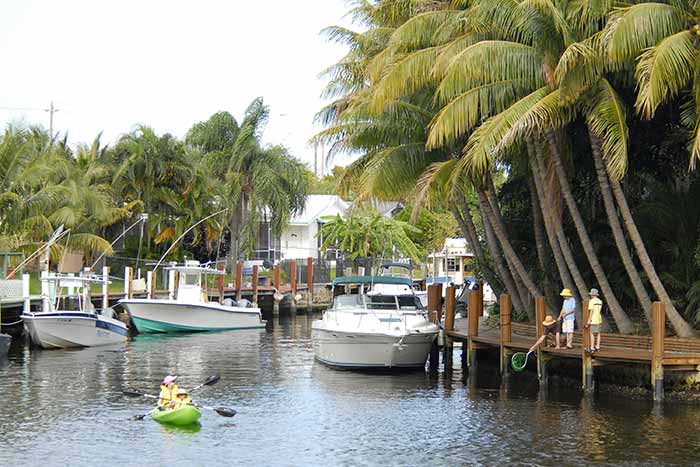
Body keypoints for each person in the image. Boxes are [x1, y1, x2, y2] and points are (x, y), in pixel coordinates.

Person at [585, 288, 603, 352]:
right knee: (598, 333)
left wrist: (589, 320)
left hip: (593, 319)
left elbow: (591, 311)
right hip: (599, 318)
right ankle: (597, 347)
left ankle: (592, 347)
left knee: (592, 333)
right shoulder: (600, 301)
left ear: (592, 295)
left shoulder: (591, 301)